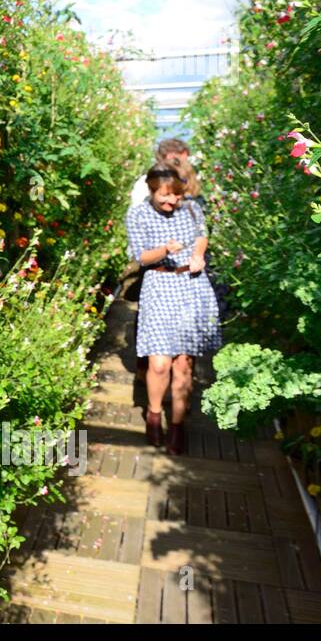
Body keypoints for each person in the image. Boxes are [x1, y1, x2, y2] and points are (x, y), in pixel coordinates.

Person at [124, 166, 222, 455]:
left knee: (183, 364)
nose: (171, 203)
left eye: (175, 197)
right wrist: (165, 249)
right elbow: (141, 256)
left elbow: (201, 235)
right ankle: (154, 413)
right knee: (158, 363)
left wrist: (197, 255)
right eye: (164, 197)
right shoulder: (138, 214)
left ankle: (178, 426)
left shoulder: (191, 208)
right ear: (151, 191)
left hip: (190, 286)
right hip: (159, 285)